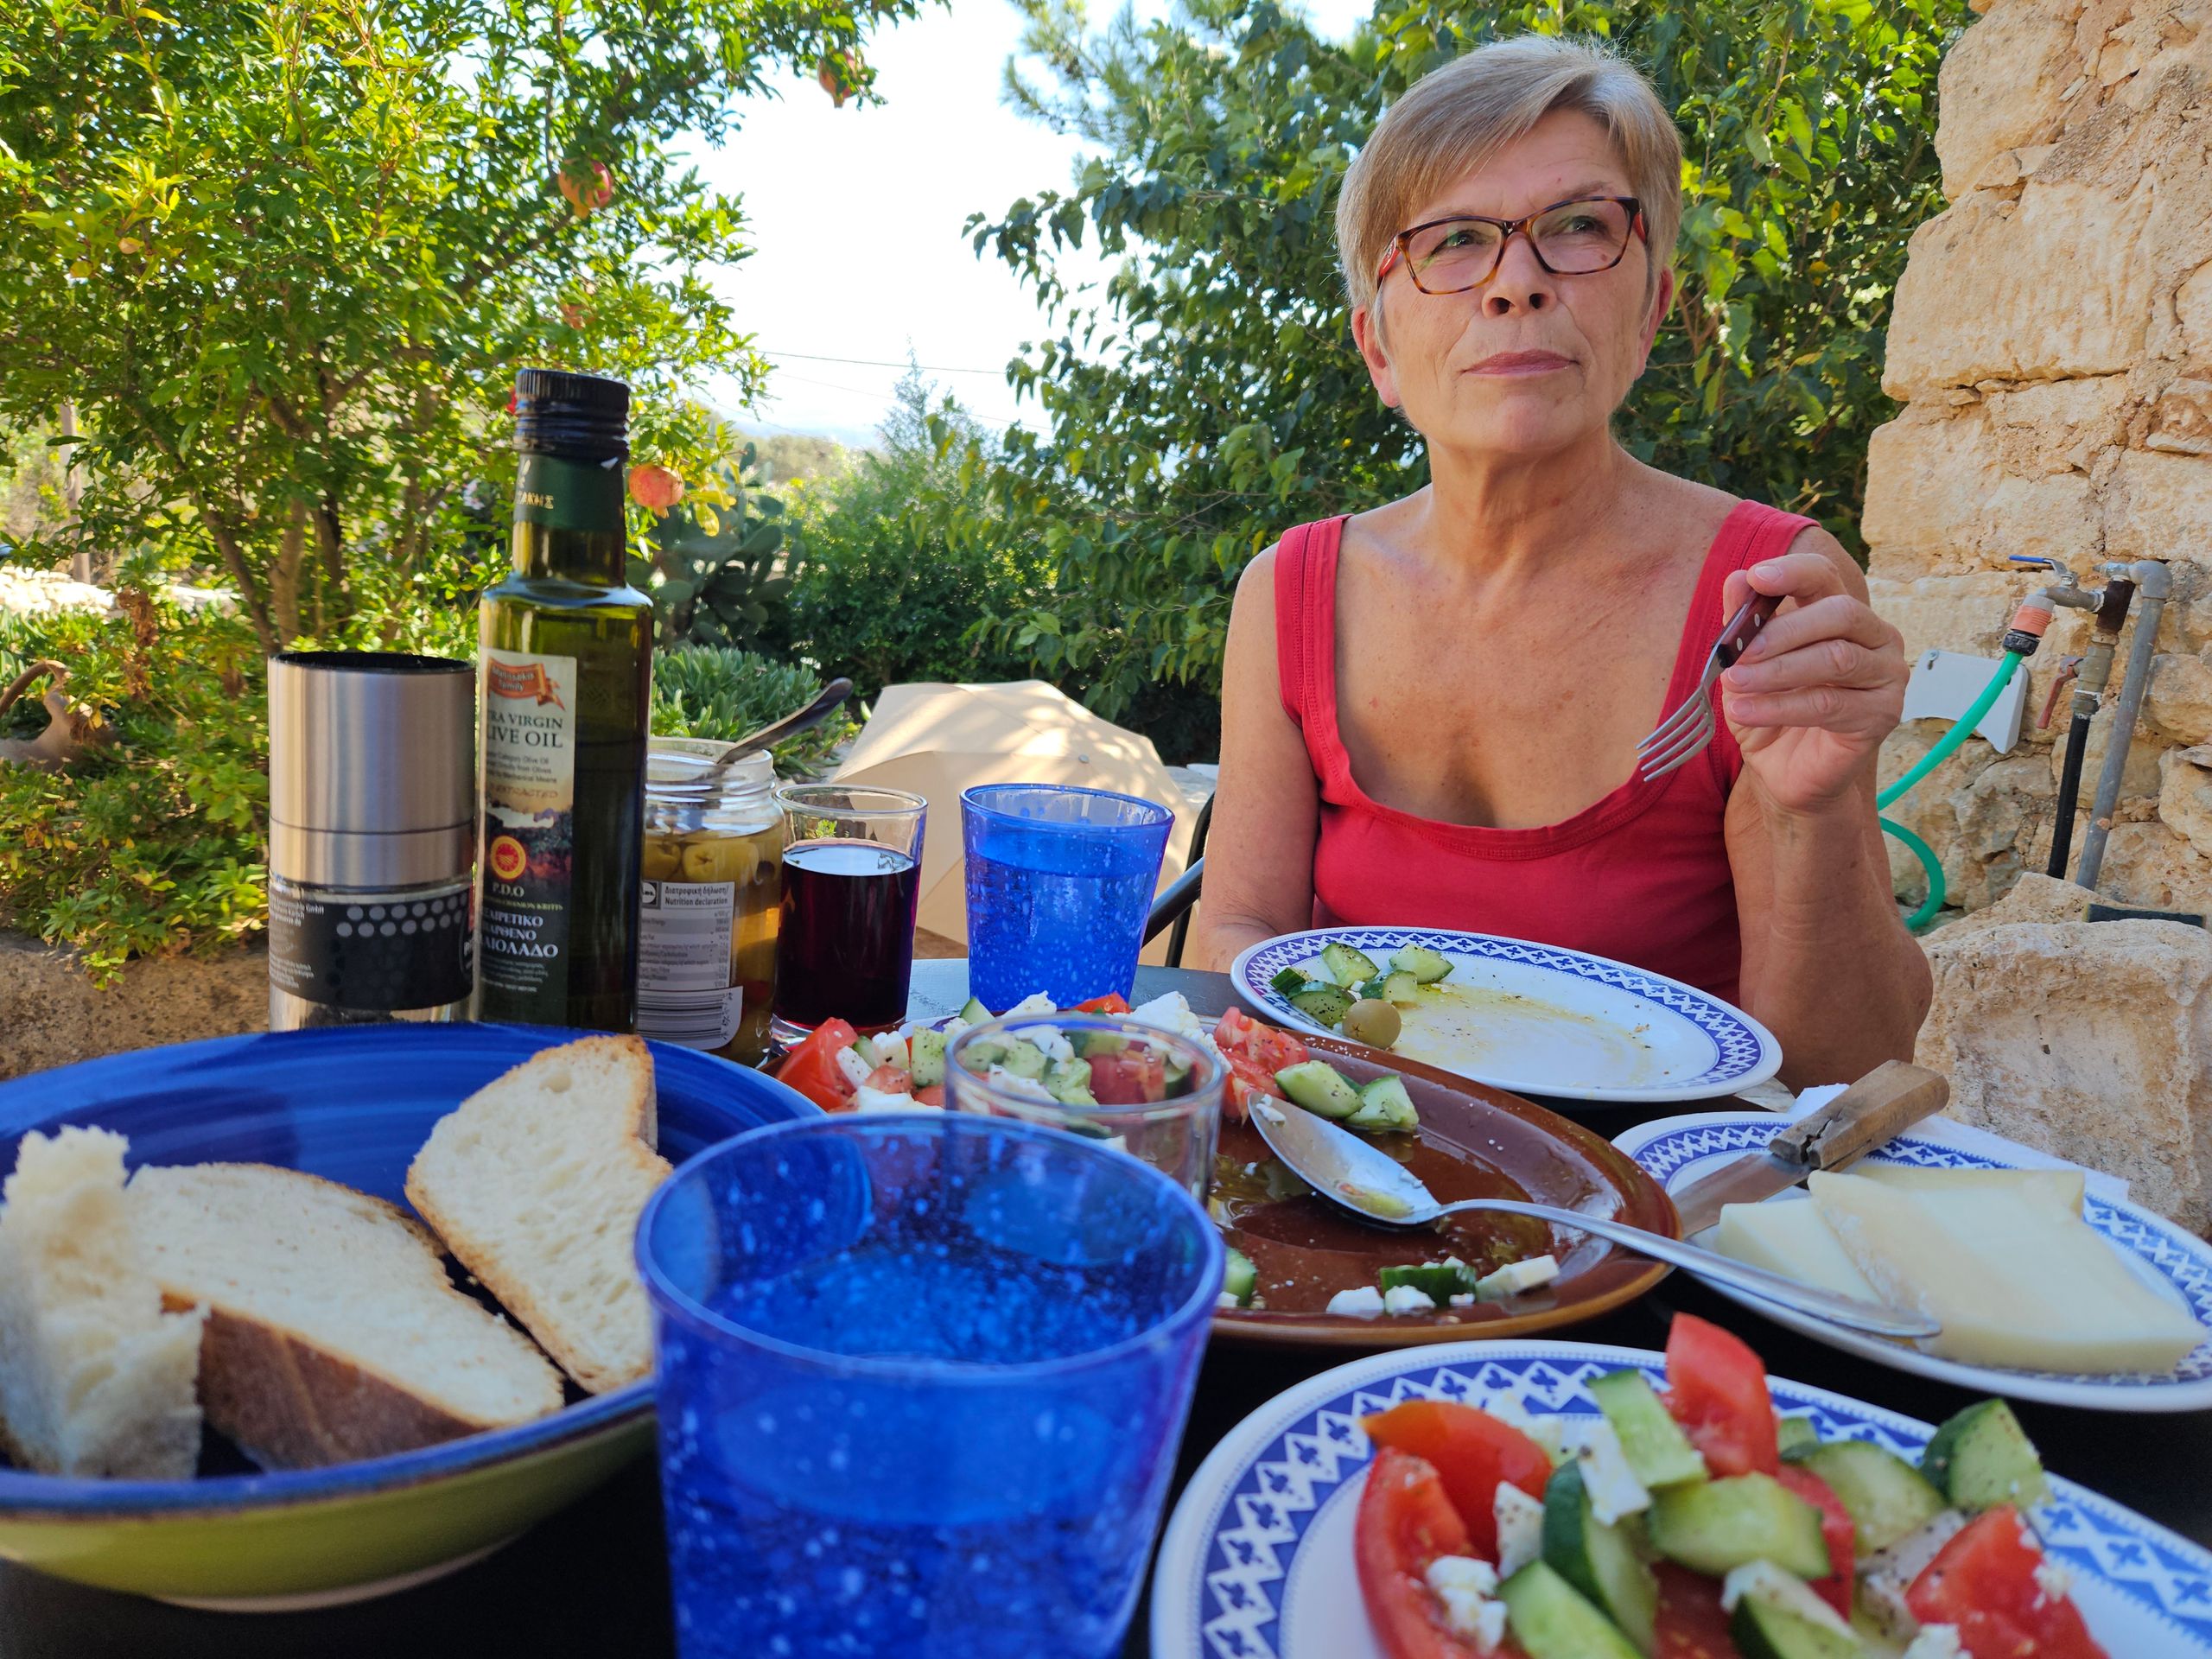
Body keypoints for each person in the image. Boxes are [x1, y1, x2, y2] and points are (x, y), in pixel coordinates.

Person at [1193, 35, 1929, 1085]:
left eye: (1578, 227)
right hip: (1354, 1163)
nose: (1517, 283)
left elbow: (1843, 1071)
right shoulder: (1289, 592)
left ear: (1649, 313)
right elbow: (1239, 934)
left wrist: (1808, 816)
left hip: (1657, 1205)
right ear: (1377, 351)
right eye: (1451, 242)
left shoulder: (1764, 598)